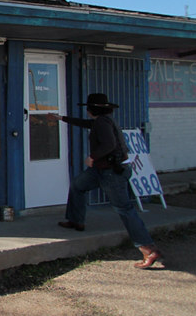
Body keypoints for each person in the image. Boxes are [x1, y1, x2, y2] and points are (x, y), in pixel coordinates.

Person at [54, 93, 163, 269]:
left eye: (88, 107)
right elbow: (86, 124)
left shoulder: (103, 123)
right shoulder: (102, 121)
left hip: (112, 172)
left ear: (92, 109)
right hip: (100, 170)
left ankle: (148, 249)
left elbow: (109, 145)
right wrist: (62, 118)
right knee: (77, 185)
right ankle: (76, 220)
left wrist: (91, 156)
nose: (87, 110)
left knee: (124, 209)